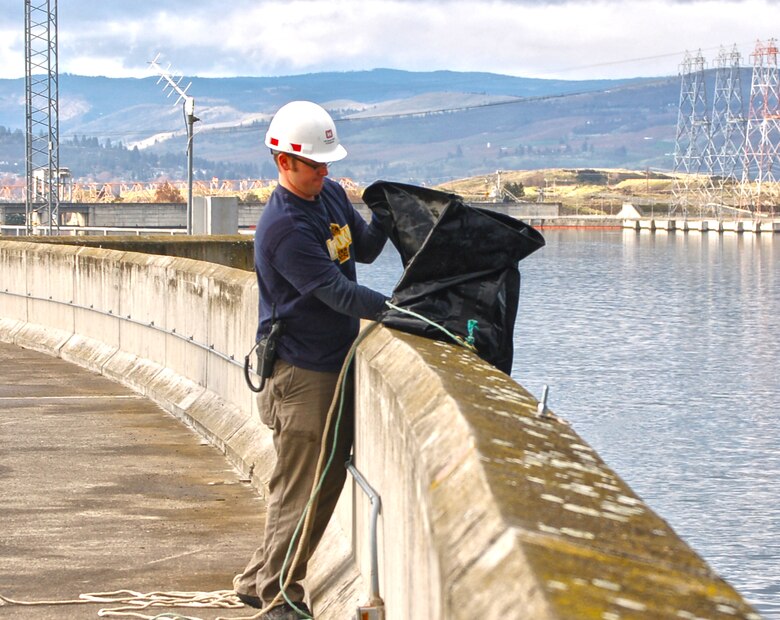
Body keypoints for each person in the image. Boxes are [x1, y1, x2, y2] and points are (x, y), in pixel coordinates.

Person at [233, 100, 389, 620]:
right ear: (284, 162)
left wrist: (388, 211)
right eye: (316, 165)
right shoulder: (282, 228)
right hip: (301, 373)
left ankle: (259, 578)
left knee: (304, 483)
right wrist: (395, 311)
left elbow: (362, 251)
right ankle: (278, 594)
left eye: (328, 163)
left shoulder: (330, 197)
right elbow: (337, 292)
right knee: (306, 486)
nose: (326, 172)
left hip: (328, 362)